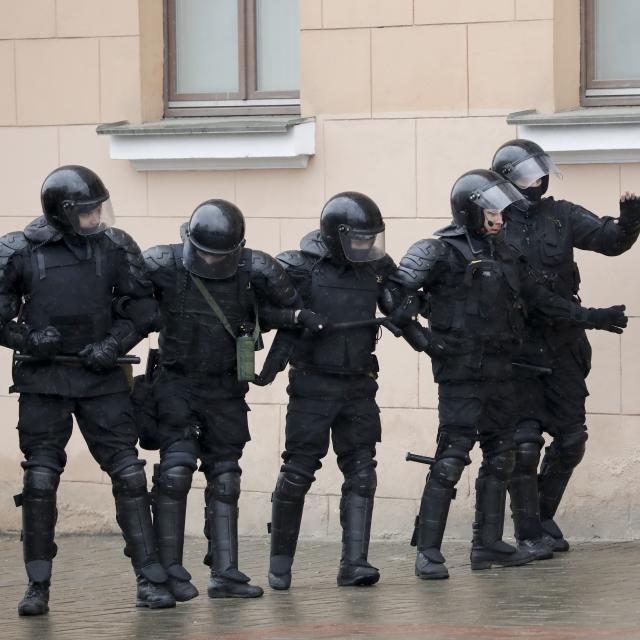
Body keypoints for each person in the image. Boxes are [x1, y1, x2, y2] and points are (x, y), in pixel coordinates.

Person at [390, 169, 628, 580]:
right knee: (450, 460)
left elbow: (542, 302)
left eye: (501, 210)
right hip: (461, 375)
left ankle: (488, 545)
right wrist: (425, 341)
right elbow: (395, 293)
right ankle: (428, 552)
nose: (499, 218)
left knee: (500, 458)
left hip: (503, 372)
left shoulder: (507, 255)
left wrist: (592, 317)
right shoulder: (438, 251)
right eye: (491, 210)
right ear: (470, 210)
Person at [0, 165, 175, 614]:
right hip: (45, 379)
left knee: (130, 474)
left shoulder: (114, 247)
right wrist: (27, 339)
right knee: (40, 479)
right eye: (88, 211)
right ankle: (37, 585)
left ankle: (150, 577)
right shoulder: (19, 251)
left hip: (102, 378)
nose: (98, 217)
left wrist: (114, 343)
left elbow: (144, 309)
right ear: (62, 212)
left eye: (100, 208)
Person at [490, 139, 640, 556]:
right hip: (518, 347)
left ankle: (539, 514)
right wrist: (593, 316)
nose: (536, 181)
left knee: (572, 438)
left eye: (539, 173)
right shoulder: (493, 222)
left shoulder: (561, 215)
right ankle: (527, 532)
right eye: (526, 175)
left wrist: (630, 219)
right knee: (524, 444)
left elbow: (610, 239)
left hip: (563, 345)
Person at [139, 199, 298, 600]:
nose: (211, 261)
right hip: (176, 382)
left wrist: (271, 367)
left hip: (226, 387)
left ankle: (225, 571)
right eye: (205, 253)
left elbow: (292, 314)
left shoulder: (255, 269)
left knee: (226, 477)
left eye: (219, 255)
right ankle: (170, 570)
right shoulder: (162, 263)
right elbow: (123, 303)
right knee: (175, 473)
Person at [255, 192, 406, 589]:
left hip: (358, 383)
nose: (365, 246)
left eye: (370, 238)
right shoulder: (299, 267)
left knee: (362, 471)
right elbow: (258, 312)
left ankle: (355, 563)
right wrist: (297, 316)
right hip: (312, 383)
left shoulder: (375, 266)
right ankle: (280, 564)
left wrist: (403, 306)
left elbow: (398, 301)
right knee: (298, 470)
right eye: (358, 239)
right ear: (336, 234)